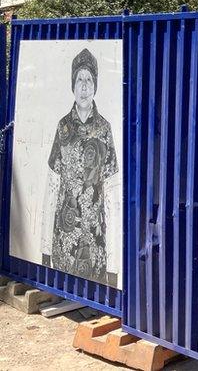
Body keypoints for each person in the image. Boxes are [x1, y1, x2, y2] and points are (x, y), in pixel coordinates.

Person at [46, 48, 118, 285]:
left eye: (89, 80)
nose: (84, 86)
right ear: (72, 85)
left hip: (94, 237)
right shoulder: (62, 127)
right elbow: (52, 185)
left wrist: (115, 262)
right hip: (65, 237)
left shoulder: (104, 129)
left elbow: (110, 192)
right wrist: (45, 249)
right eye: (79, 80)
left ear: (95, 85)